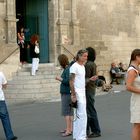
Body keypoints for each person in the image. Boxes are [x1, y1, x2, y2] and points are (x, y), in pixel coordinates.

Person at [69, 49, 88, 140]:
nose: (86, 58)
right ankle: (81, 136)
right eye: (84, 56)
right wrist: (73, 94)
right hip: (77, 92)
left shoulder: (83, 66)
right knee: (81, 114)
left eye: (86, 56)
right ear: (79, 56)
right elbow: (71, 81)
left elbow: (81, 81)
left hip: (82, 92)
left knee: (79, 114)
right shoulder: (74, 66)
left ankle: (78, 136)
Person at [85, 47, 101, 138]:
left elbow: (87, 77)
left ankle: (95, 130)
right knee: (90, 109)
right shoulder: (92, 64)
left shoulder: (88, 65)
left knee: (90, 110)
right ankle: (94, 130)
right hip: (91, 89)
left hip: (88, 89)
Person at [55, 54, 73, 137]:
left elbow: (67, 81)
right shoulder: (67, 68)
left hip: (66, 93)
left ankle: (69, 130)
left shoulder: (67, 69)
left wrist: (59, 78)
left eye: (59, 61)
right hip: (66, 93)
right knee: (69, 112)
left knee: (66, 112)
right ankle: (69, 128)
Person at [126, 49, 140, 140]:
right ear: (137, 57)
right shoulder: (132, 71)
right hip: (137, 101)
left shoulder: (137, 69)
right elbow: (128, 87)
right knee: (137, 125)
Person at [0, 71, 18, 140]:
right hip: (0, 99)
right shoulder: (0, 73)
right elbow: (5, 85)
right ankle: (10, 136)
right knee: (5, 118)